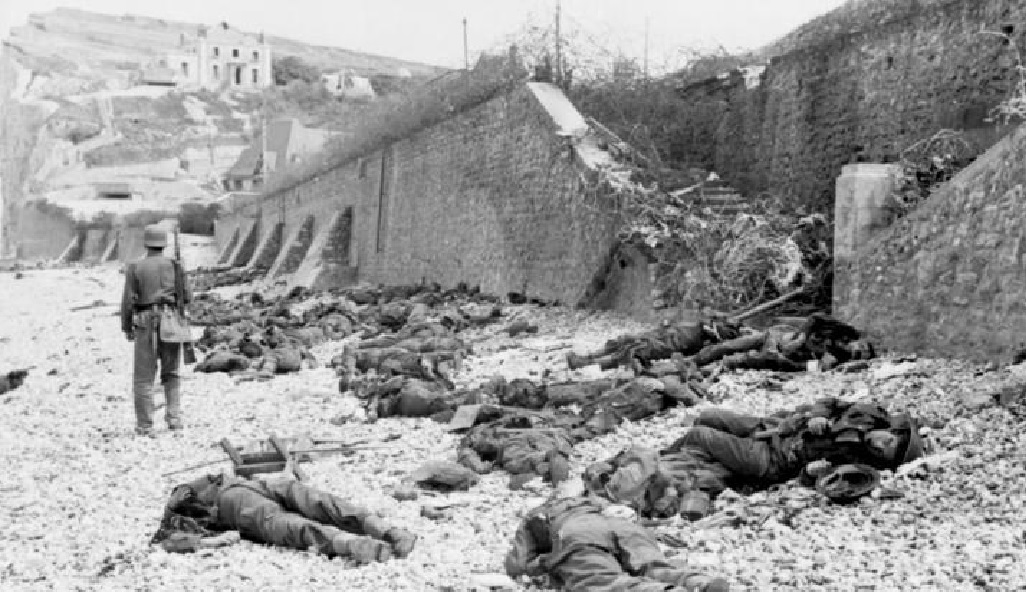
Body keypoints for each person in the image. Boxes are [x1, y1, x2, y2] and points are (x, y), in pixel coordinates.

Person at [504, 482, 730, 592]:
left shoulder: (538, 514)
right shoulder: (596, 503)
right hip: (625, 529)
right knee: (653, 567)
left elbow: (516, 564)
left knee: (604, 582)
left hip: (578, 535)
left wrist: (545, 562)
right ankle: (700, 583)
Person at [151, 472, 417, 564]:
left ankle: (348, 544)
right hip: (255, 484)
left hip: (232, 501)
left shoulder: (176, 510)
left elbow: (169, 541)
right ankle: (387, 530)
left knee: (286, 525)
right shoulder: (191, 493)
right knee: (320, 501)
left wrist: (218, 540)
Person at [665, 398, 924, 490]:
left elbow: (811, 484)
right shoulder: (868, 414)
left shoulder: (859, 467)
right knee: (708, 416)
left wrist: (811, 474)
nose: (878, 444)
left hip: (769, 460)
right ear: (891, 430)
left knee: (700, 434)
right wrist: (817, 415)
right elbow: (829, 401)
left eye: (883, 452)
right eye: (887, 440)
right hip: (774, 428)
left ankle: (661, 457)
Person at [120, 224, 192, 436]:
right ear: (164, 244)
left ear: (146, 243)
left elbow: (127, 302)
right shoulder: (176, 266)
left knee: (144, 377)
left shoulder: (135, 268)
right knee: (171, 373)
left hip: (145, 322)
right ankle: (174, 419)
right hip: (171, 321)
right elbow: (187, 297)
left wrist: (126, 327)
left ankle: (145, 425)